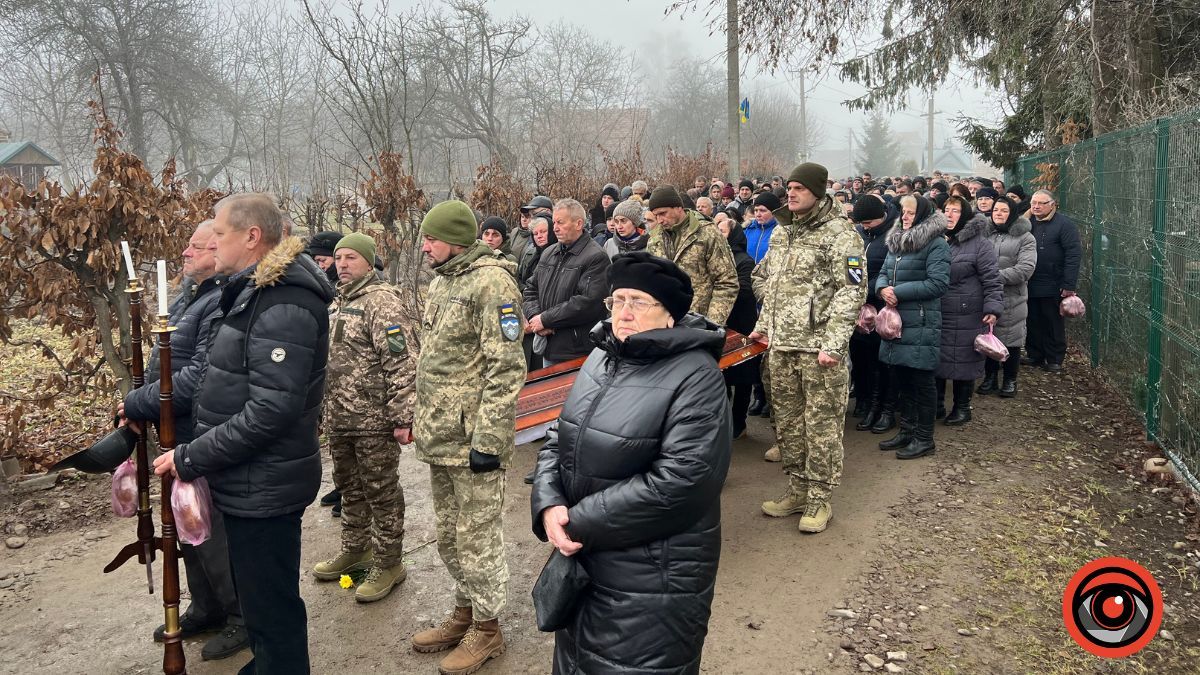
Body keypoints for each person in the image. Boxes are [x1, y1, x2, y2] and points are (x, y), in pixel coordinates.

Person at [152, 193, 335, 674]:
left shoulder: (284, 302)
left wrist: (192, 456)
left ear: (252, 237)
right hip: (247, 476)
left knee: (271, 605)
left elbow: (271, 410)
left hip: (266, 482)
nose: (211, 241)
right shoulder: (253, 291)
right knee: (258, 599)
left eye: (219, 232)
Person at [530, 252, 732, 674]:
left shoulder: (696, 375)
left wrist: (575, 521)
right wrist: (548, 503)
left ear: (670, 315)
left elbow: (683, 481)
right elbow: (559, 434)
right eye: (617, 299)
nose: (623, 312)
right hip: (587, 562)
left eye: (638, 302)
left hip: (653, 577)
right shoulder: (604, 356)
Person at [119, 221, 248, 661]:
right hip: (175, 426)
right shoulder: (188, 297)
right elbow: (165, 361)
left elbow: (200, 374)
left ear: (219, 251)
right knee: (184, 523)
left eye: (197, 246)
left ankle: (239, 615)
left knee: (211, 529)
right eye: (188, 244)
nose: (186, 253)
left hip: (201, 430)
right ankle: (206, 605)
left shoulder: (219, 301)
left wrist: (140, 402)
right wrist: (146, 405)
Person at [409, 200, 526, 674]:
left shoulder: (493, 282)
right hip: (441, 435)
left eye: (431, 238)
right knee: (449, 535)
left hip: (474, 438)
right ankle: (465, 613)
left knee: (477, 538)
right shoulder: (443, 280)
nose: (424, 246)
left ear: (455, 238)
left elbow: (507, 365)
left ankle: (488, 629)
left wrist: (490, 438)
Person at [750, 163, 865, 533]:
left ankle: (819, 499)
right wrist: (763, 328)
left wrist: (833, 343)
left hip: (818, 350)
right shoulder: (783, 234)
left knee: (821, 426)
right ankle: (797, 489)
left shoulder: (841, 235)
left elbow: (853, 290)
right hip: (781, 346)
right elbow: (770, 282)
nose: (791, 194)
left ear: (817, 191)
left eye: (799, 188)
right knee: (787, 424)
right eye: (789, 188)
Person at [310, 233, 417, 603]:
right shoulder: (338, 302)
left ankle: (389, 562)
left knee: (381, 491)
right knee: (349, 488)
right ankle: (356, 549)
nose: (341, 264)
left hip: (374, 421)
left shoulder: (382, 304)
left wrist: (403, 416)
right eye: (338, 257)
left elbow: (402, 363)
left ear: (369, 263)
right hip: (341, 419)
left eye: (351, 257)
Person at [876, 195, 951, 460]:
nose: (905, 216)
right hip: (896, 322)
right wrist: (882, 288)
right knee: (902, 378)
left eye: (910, 212)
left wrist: (899, 291)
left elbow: (938, 283)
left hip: (920, 322)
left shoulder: (936, 245)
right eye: (903, 212)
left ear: (921, 215)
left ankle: (924, 437)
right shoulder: (896, 240)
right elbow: (884, 271)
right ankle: (907, 430)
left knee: (922, 381)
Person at [935, 197, 1003, 426]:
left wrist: (993, 308)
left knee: (964, 360)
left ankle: (962, 407)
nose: (950, 214)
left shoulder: (980, 244)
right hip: (940, 310)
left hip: (968, 312)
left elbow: (992, 279)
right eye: (946, 210)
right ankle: (936, 405)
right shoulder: (938, 239)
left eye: (955, 210)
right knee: (938, 359)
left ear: (964, 215)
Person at [522, 198, 611, 367]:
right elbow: (531, 288)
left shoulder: (596, 257)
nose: (554, 227)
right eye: (554, 222)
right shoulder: (549, 253)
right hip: (548, 346)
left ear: (578, 224)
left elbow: (587, 303)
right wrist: (536, 318)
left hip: (577, 351)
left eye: (560, 222)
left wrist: (547, 319)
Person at [645, 185, 738, 325]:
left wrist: (711, 324)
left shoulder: (707, 234)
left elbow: (727, 282)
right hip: (666, 323)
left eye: (663, 213)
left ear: (678, 207)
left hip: (699, 321)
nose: (659, 220)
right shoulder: (655, 239)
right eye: (655, 215)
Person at [847, 195, 898, 434]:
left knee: (880, 362)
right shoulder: (857, 234)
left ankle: (881, 406)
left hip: (881, 308)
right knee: (860, 358)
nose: (865, 226)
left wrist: (869, 290)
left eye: (869, 222)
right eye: (862, 223)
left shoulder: (892, 237)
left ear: (882, 217)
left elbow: (891, 271)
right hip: (858, 309)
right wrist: (853, 289)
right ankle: (864, 400)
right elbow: (851, 267)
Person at [979, 196, 1037, 397]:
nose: (999, 214)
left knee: (1011, 338)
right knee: (988, 335)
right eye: (996, 210)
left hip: (1012, 296)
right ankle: (990, 377)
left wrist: (992, 277)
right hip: (985, 295)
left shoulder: (1026, 238)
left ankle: (1010, 379)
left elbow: (1025, 269)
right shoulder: (985, 234)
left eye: (1004, 211)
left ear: (1012, 213)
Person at [1024, 189, 1081, 372]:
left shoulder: (1065, 225)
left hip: (1053, 283)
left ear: (1052, 205)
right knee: (1032, 320)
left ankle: (1054, 358)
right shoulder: (1026, 223)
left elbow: (1073, 255)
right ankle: (1035, 355)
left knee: (1052, 321)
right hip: (1029, 281)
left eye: (1041, 203)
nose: (1036, 206)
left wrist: (1068, 284)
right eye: (1034, 202)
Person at [719, 221, 760, 439]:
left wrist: (722, 290)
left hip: (742, 325)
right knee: (721, 377)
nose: (719, 235)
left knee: (743, 378)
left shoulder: (744, 261)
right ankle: (723, 420)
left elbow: (745, 292)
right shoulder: (716, 257)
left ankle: (739, 421)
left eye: (723, 231)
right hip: (721, 325)